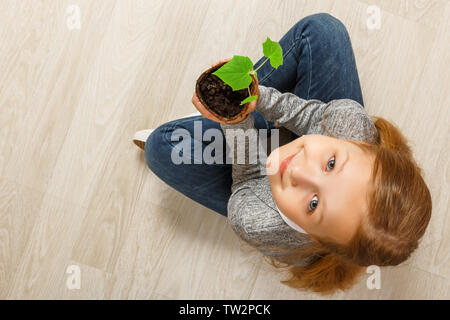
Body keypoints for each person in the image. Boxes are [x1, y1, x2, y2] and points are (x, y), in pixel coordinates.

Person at [134, 13, 432, 294]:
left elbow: (249, 177)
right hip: (311, 129)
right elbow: (303, 113)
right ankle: (237, 104)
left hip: (253, 175)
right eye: (330, 164)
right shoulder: (349, 123)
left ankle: (225, 121)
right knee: (323, 31)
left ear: (314, 237)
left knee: (163, 149)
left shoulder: (257, 221)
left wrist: (235, 120)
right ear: (361, 144)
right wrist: (254, 96)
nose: (298, 170)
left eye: (314, 204)